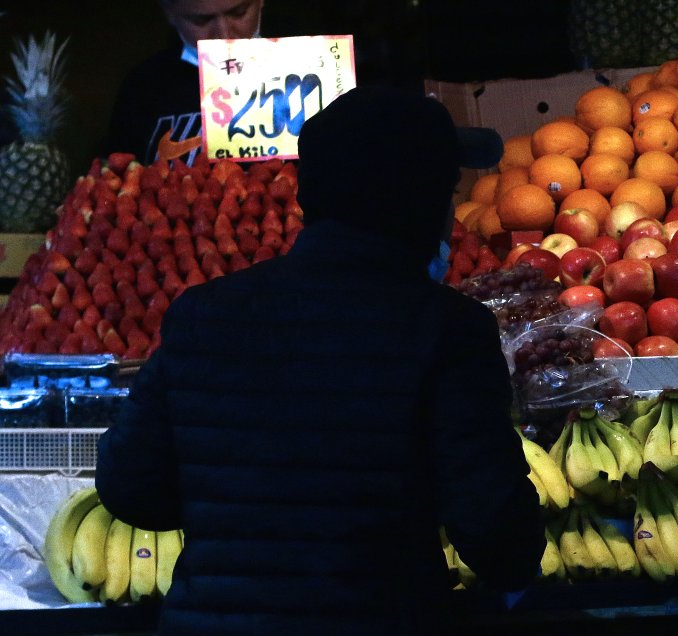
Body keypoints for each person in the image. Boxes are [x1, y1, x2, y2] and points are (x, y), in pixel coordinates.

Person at [95, 85, 544, 634]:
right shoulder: (448, 329)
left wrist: (240, 516)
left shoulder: (201, 314)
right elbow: (498, 536)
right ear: (422, 205)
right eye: (448, 193)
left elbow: (130, 487)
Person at [104, 0, 265, 166]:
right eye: (201, 21)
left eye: (239, 12)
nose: (223, 35)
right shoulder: (141, 87)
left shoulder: (293, 66)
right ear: (169, 13)